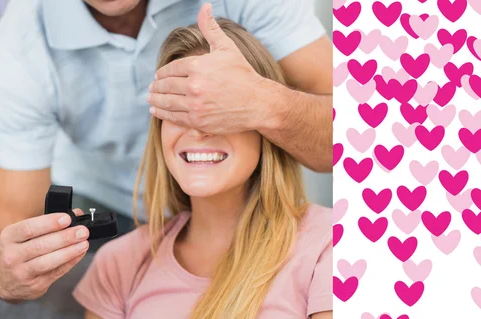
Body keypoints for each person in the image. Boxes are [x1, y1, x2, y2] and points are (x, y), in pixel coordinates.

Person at [0, 0, 332, 304]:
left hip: (248, 207)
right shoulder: (23, 40)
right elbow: (3, 233)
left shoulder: (324, 253)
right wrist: (9, 273)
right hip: (103, 209)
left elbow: (355, 141)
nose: (197, 130)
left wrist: (263, 102)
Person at [72, 17, 332, 319]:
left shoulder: (329, 243)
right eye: (179, 109)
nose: (198, 130)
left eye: (217, 111)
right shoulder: (120, 262)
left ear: (265, 128)